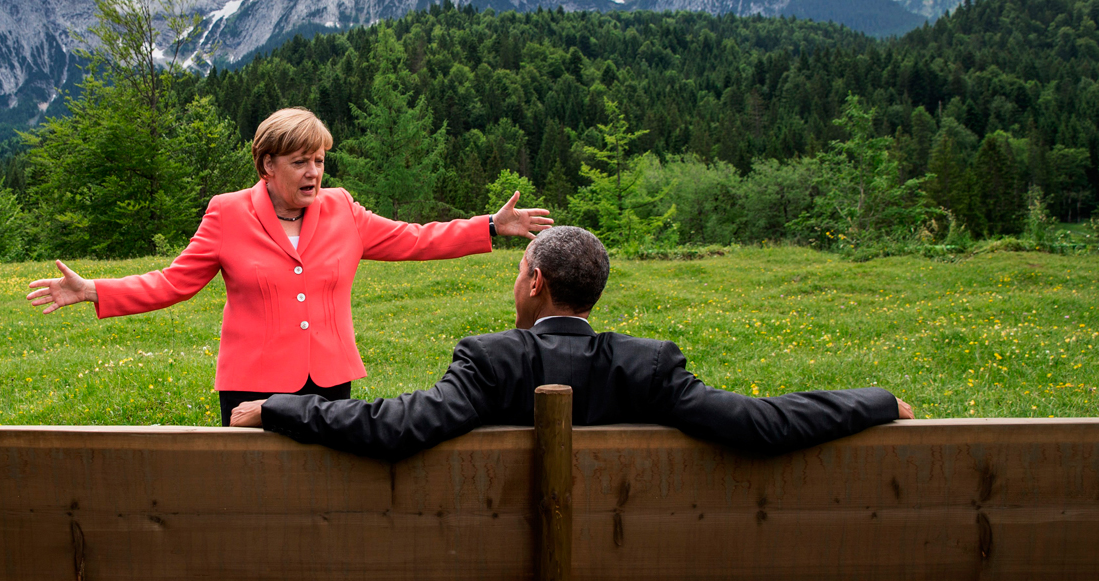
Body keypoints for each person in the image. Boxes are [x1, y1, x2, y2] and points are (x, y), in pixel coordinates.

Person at [26, 107, 553, 427]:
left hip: (328, 381)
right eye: (300, 161)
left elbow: (412, 239)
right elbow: (173, 282)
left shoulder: (343, 208)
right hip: (251, 383)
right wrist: (95, 290)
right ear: (267, 165)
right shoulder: (227, 213)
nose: (314, 172)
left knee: (323, 492)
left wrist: (486, 226)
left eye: (319, 160)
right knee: (254, 496)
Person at [230, 225, 913, 459]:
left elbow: (396, 426)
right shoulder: (650, 366)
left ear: (532, 282)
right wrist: (874, 399)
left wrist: (280, 407)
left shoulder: (488, 360)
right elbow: (761, 422)